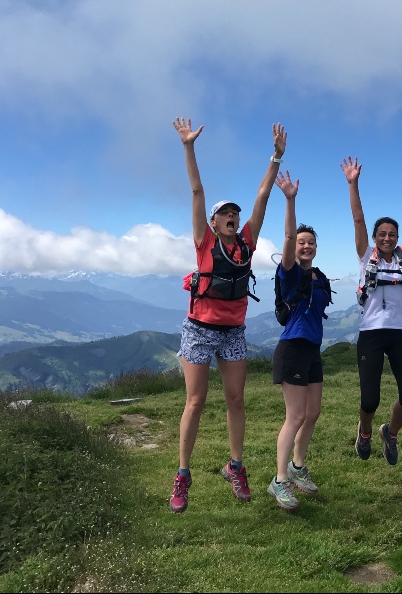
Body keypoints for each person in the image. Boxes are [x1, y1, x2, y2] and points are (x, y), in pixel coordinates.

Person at [169, 117, 286, 514]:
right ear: (214, 223)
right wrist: (189, 146)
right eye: (226, 214)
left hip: (233, 331)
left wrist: (275, 157)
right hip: (199, 330)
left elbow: (262, 197)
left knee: (236, 399)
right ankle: (182, 475)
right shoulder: (204, 241)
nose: (233, 216)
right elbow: (197, 190)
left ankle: (235, 467)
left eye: (235, 213)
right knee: (196, 401)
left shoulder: (247, 242)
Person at [340, 156, 402, 465]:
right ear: (374, 238)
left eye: (391, 234)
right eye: (381, 234)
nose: (386, 238)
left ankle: (390, 433)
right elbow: (358, 219)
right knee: (369, 400)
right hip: (370, 333)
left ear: (396, 238)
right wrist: (353, 184)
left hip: (399, 334)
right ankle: (365, 430)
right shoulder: (365, 255)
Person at [268, 171, 332, 511]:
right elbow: (289, 234)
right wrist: (290, 200)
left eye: (311, 243)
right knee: (294, 416)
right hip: (292, 348)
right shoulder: (290, 272)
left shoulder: (319, 277)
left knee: (313, 413)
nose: (306, 246)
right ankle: (279, 481)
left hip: (312, 350)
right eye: (301, 242)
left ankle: (297, 466)